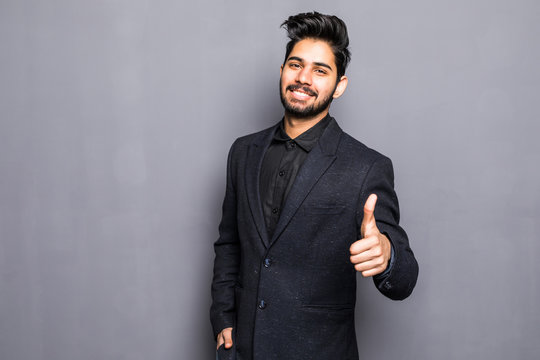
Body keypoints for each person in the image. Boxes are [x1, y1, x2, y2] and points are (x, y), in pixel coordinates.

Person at [210, 11, 418, 360]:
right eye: (296, 65)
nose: (304, 78)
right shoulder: (243, 152)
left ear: (339, 85)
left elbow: (405, 279)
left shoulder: (366, 167)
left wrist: (387, 255)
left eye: (320, 70)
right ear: (282, 71)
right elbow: (229, 243)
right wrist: (223, 320)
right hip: (242, 351)